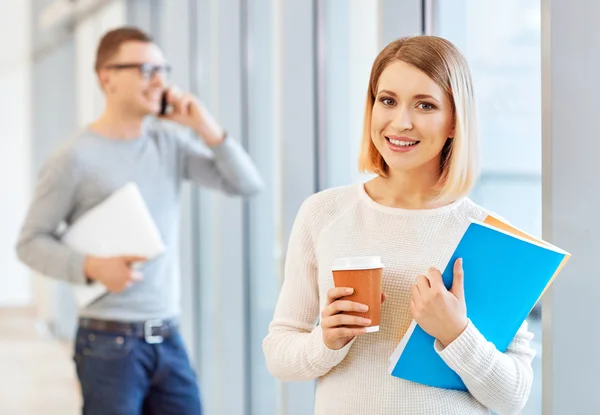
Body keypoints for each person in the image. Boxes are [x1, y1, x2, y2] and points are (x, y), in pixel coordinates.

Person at [262, 35, 535, 415]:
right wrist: (326, 341)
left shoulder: (492, 235)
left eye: (425, 105)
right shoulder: (323, 213)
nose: (400, 122)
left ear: (455, 121)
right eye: (387, 101)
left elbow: (513, 396)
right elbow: (279, 353)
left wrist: (457, 334)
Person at [16, 26, 263, 415]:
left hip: (168, 335)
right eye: (146, 69)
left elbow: (246, 184)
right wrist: (92, 266)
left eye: (163, 69)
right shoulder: (73, 158)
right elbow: (30, 242)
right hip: (106, 341)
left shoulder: (169, 144)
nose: (160, 80)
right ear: (107, 77)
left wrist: (205, 127)